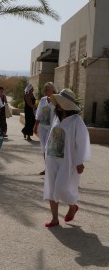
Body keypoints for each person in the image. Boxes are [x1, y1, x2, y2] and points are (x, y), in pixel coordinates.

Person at [43, 88, 91, 227]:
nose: (57, 105)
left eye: (59, 102)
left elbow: (82, 142)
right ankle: (54, 219)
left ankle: (73, 205)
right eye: (57, 102)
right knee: (51, 189)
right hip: (52, 158)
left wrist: (80, 162)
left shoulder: (76, 121)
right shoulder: (57, 118)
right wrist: (46, 153)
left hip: (67, 161)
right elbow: (51, 137)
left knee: (60, 188)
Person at [33, 82, 57, 175]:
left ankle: (52, 169)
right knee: (43, 147)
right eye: (45, 89)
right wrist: (35, 126)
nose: (45, 91)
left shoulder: (57, 99)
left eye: (47, 89)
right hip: (43, 127)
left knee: (50, 148)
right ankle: (47, 168)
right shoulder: (43, 100)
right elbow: (39, 113)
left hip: (52, 127)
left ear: (52, 90)